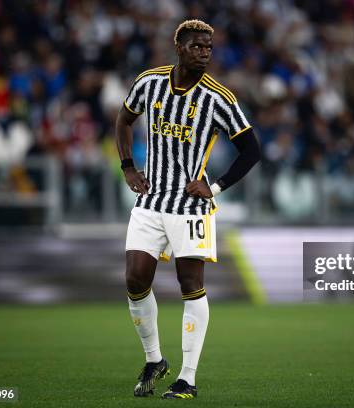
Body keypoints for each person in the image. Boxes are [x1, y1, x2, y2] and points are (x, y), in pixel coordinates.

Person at [115, 19, 261, 399]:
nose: (204, 53)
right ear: (178, 47)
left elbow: (252, 149)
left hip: (191, 206)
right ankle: (154, 359)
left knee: (190, 285)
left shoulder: (219, 97)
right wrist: (128, 166)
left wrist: (215, 186)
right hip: (150, 199)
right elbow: (123, 120)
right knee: (135, 279)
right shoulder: (149, 82)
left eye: (209, 48)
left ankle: (188, 378)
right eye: (197, 46)